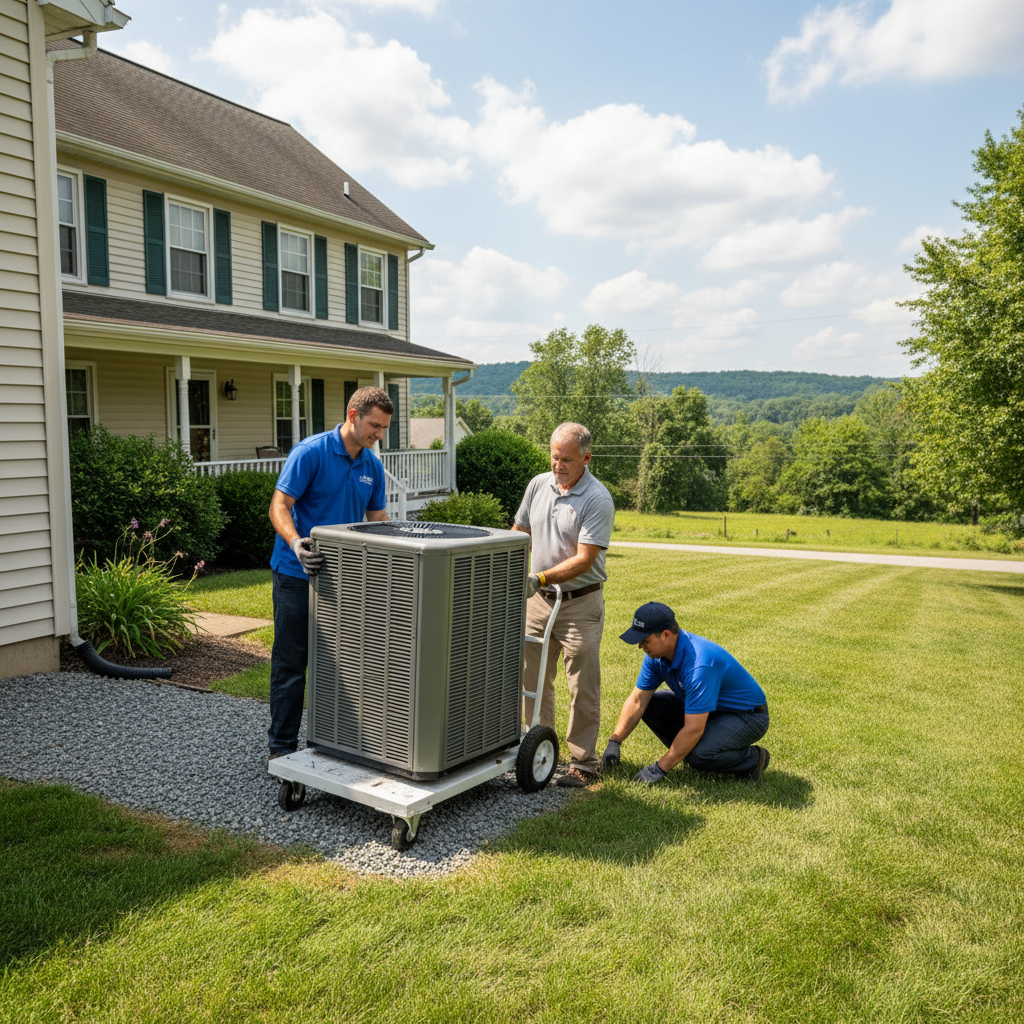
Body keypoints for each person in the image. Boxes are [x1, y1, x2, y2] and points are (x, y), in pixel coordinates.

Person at [266, 385, 392, 762]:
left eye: (384, 428)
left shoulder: (371, 465)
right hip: (297, 575)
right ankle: (282, 750)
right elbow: (279, 506)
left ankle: (339, 741)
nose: (379, 435)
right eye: (374, 426)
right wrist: (295, 543)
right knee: (292, 665)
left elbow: (378, 521)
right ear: (353, 416)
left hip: (346, 582)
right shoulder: (311, 452)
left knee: (347, 663)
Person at [512, 422, 615, 788]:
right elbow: (519, 532)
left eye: (567, 459)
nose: (558, 465)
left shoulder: (597, 498)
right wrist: (508, 568)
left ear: (586, 458)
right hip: (538, 602)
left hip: (579, 604)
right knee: (532, 676)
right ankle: (538, 748)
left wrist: (539, 578)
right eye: (554, 456)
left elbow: (585, 559)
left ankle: (584, 763)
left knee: (581, 683)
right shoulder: (538, 484)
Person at [604, 602, 770, 785]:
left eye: (645, 640)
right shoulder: (656, 656)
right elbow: (638, 701)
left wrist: (658, 769)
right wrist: (615, 741)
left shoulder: (699, 664)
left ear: (666, 635)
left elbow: (694, 728)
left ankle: (754, 759)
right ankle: (686, 751)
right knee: (652, 705)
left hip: (747, 715)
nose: (640, 646)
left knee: (700, 754)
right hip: (711, 710)